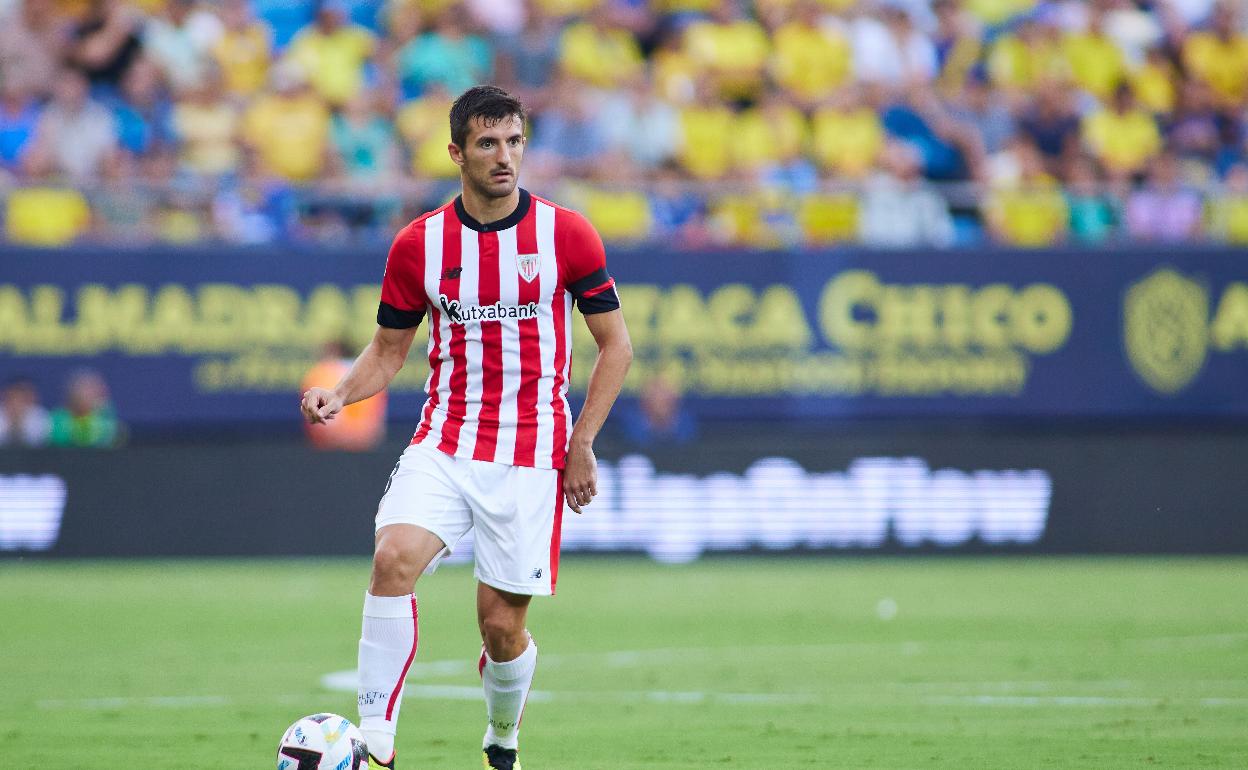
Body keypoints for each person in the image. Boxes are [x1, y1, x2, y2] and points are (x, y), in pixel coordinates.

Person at [300, 85, 632, 770]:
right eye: (487, 143)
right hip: (444, 441)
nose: (504, 156)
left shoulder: (566, 234)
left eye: (513, 141)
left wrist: (582, 445)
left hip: (534, 452)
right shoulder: (420, 244)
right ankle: (376, 748)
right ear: (457, 152)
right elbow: (388, 351)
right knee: (392, 559)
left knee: (502, 629)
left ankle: (502, 736)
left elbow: (616, 346)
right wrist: (340, 395)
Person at [0, 377, 50, 447]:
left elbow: (37, 441)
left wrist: (18, 422)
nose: (16, 403)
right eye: (13, 398)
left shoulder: (39, 415)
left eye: (20, 399)